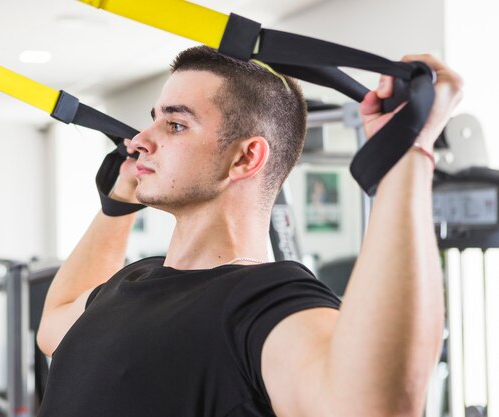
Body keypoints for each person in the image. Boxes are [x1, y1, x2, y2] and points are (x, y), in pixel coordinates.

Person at [36, 46, 463, 417]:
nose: (141, 140)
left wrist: (407, 152)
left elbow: (374, 408)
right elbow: (53, 329)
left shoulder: (265, 301)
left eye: (175, 124)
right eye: (153, 120)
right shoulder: (132, 281)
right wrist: (117, 206)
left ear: (244, 158)